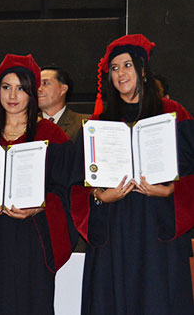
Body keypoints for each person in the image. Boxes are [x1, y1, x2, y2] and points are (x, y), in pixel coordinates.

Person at [70, 34, 194, 315]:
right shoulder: (98, 124)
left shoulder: (173, 113)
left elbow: (190, 172)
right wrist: (101, 196)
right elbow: (78, 183)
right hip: (115, 228)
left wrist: (170, 191)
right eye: (114, 68)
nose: (120, 73)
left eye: (127, 65)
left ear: (142, 70)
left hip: (158, 226)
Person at [0, 54, 76, 315]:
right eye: (6, 87)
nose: (13, 95)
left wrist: (39, 208)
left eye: (21, 88)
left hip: (32, 241)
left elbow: (65, 192)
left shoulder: (53, 137)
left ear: (32, 92)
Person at [38, 66, 89, 140]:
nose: (38, 89)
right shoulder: (27, 124)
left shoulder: (83, 124)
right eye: (37, 84)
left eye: (45, 83)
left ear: (63, 89)